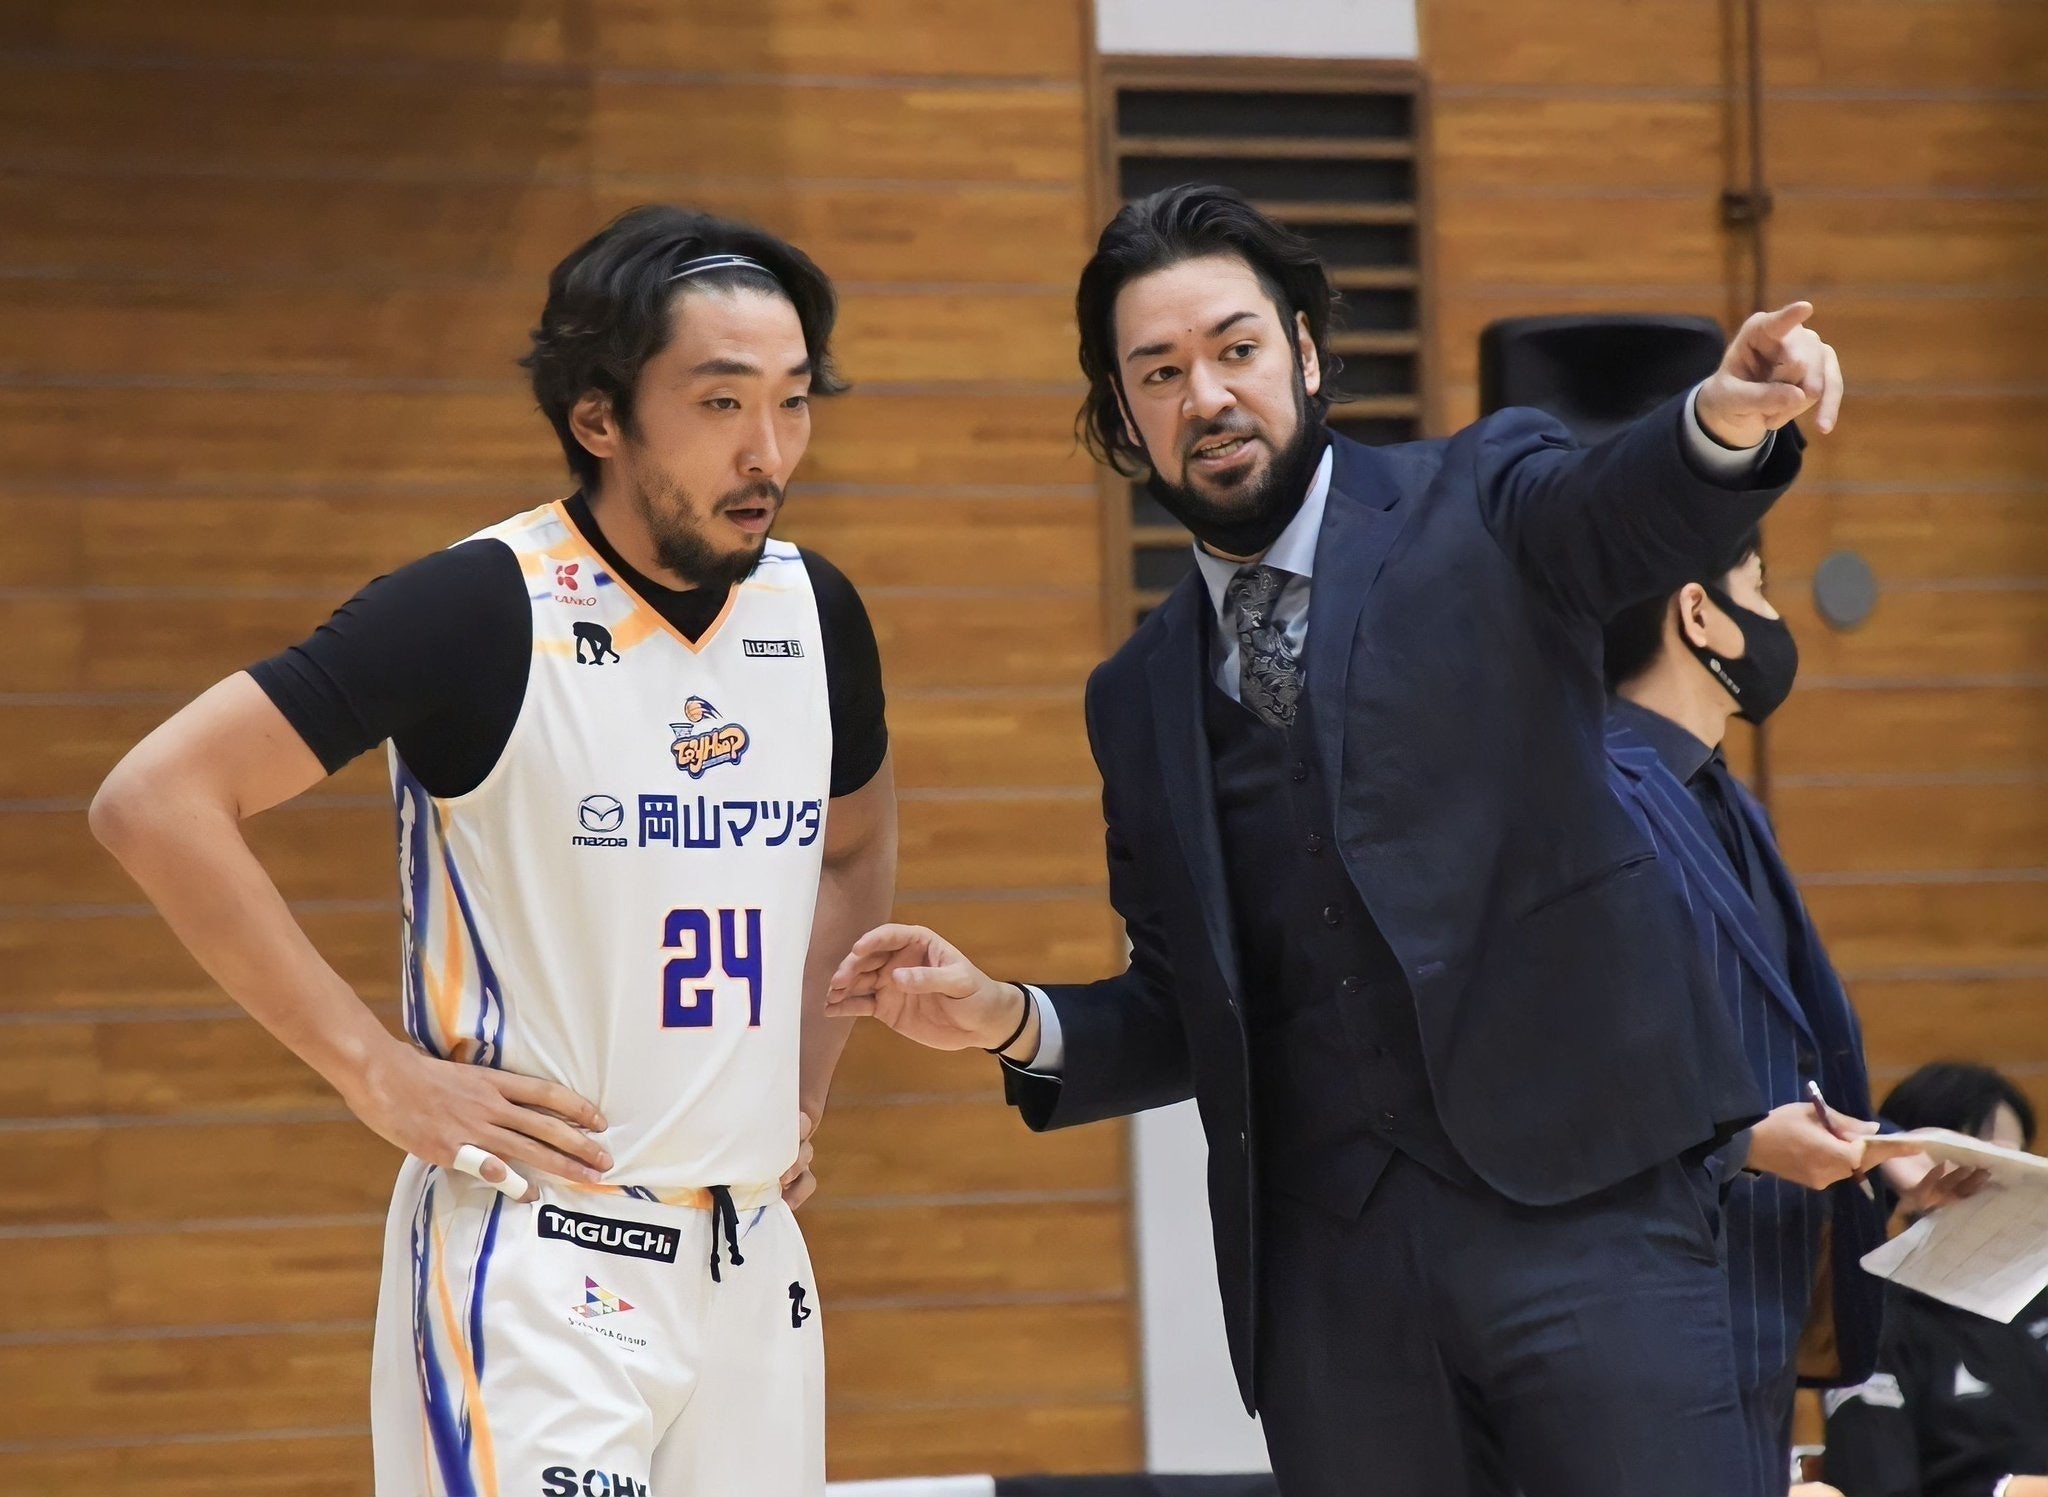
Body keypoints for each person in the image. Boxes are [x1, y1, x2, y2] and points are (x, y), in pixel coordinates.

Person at [827, 183, 1842, 1497]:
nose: (1206, 396)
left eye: (1235, 348)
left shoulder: (1479, 499)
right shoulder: (1136, 695)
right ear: (1122, 417)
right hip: (1336, 1303)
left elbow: (1620, 505)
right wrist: (1009, 1018)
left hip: (1592, 1233)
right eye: (1159, 372)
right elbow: (1191, 1006)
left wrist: (1721, 420)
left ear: (1304, 354)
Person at [88, 205, 898, 1497]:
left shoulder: (816, 612)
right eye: (721, 402)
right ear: (599, 417)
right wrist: (373, 1071)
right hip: (538, 1263)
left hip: (754, 1265)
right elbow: (156, 800)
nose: (769, 449)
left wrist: (799, 1087)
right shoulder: (480, 605)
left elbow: (850, 850)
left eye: (793, 401)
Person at [1602, 543, 1982, 1492]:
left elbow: (1773, 1050)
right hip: (1655, 1308)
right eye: (1760, 590)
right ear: (1698, 613)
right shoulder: (1595, 796)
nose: (1774, 618)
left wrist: (1885, 1151)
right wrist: (1740, 1145)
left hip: (1759, 1305)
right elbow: (1582, 1072)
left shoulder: (1727, 799)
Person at [1825, 1064, 2048, 1497]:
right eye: (1981, 1164)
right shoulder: (1875, 1326)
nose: (2002, 1186)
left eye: (2018, 1162)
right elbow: (1874, 1486)